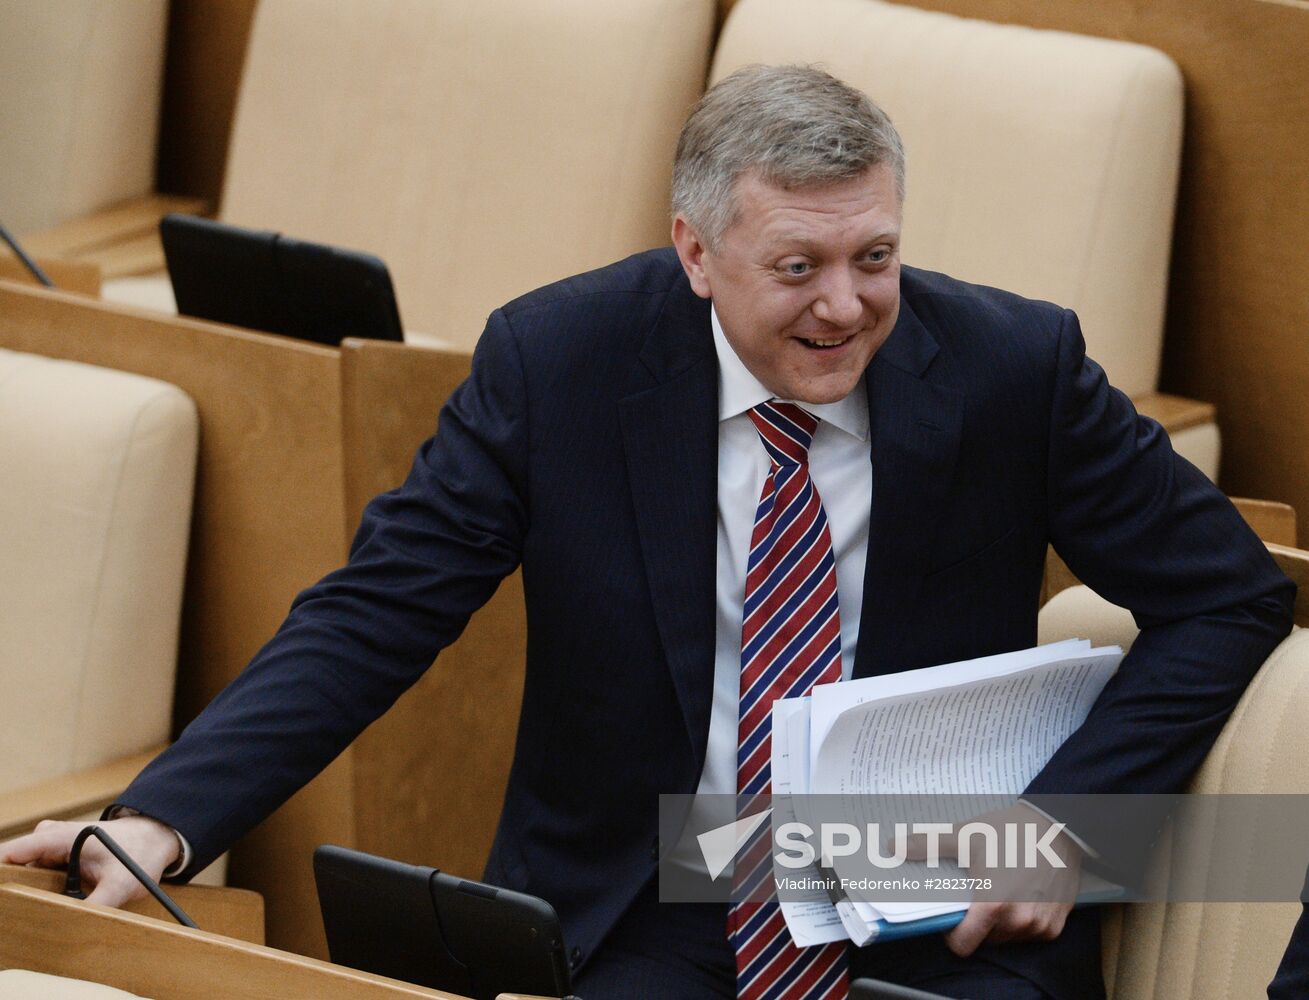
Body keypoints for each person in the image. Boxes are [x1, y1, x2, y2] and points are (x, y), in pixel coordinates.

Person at [0, 66, 1294, 1000]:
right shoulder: (557, 360)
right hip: (653, 898)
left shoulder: (1015, 366)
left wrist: (1067, 821)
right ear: (693, 250)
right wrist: (166, 818)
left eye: (876, 257)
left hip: (934, 906)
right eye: (797, 267)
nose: (846, 307)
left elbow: (1226, 597)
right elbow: (377, 609)